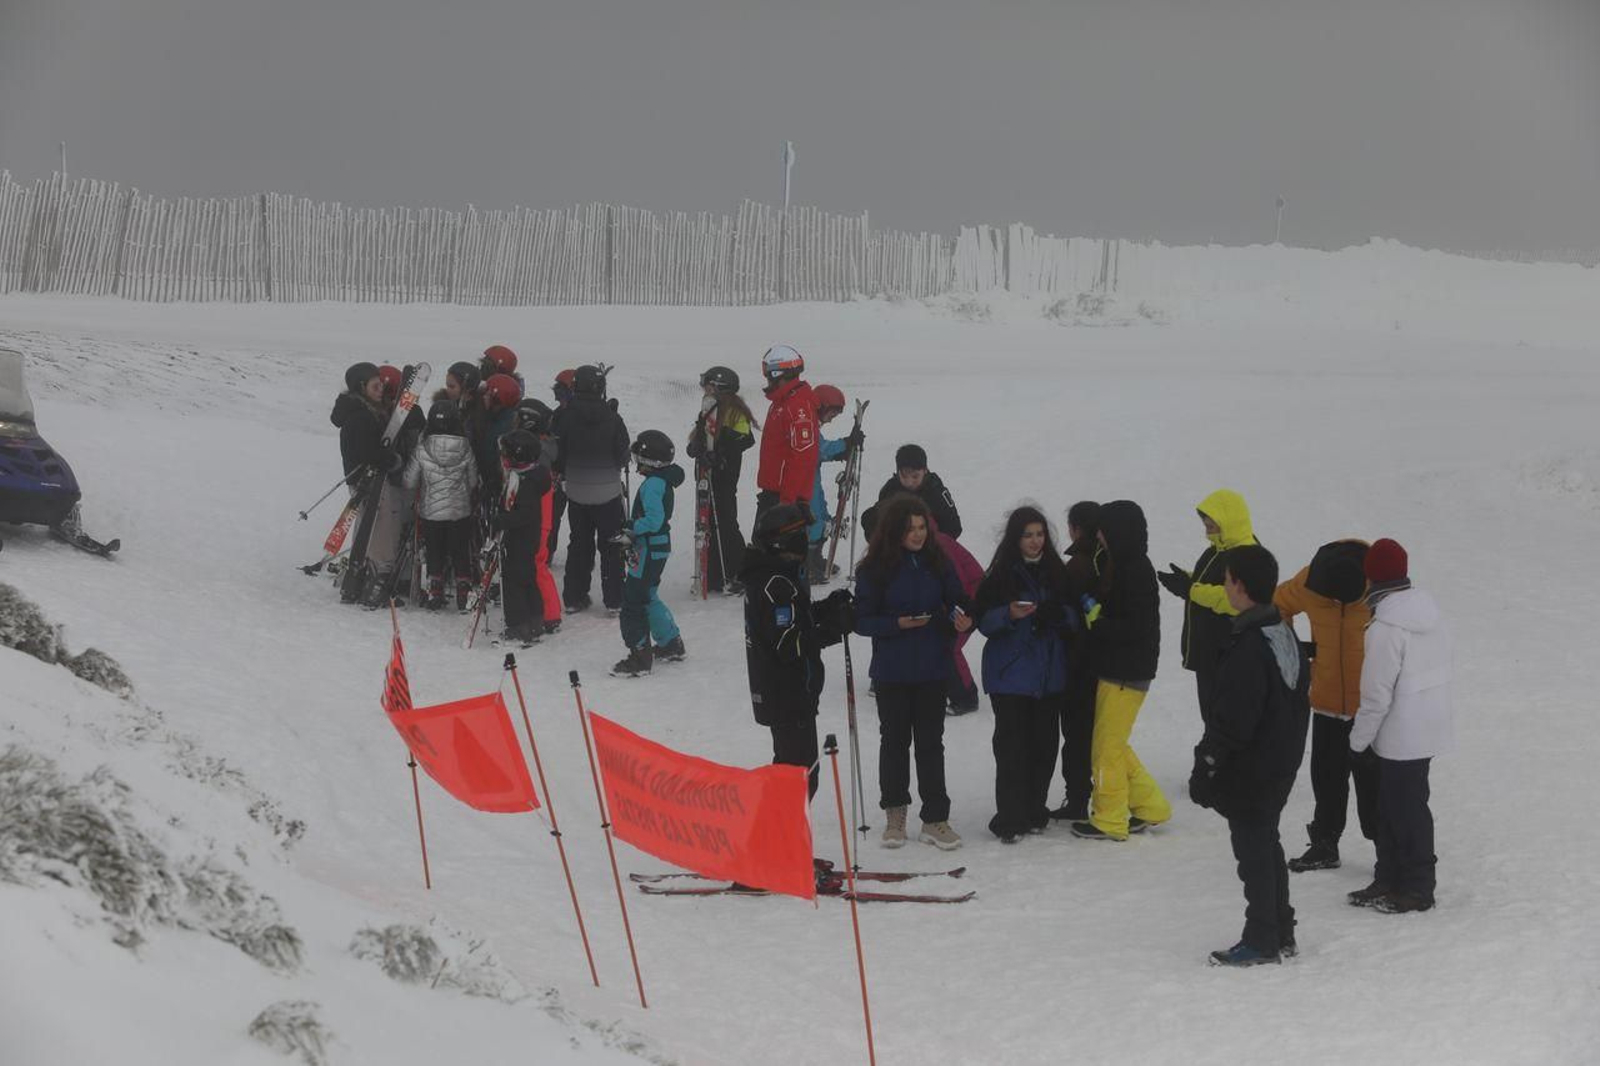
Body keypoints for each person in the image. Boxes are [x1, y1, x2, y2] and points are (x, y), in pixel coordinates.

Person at [1188, 545, 1311, 966]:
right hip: (1280, 761)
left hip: (1255, 768)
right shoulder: (1282, 631)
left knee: (1254, 852)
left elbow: (1233, 720)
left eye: (1227, 581)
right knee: (1266, 843)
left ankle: (1262, 938)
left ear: (1239, 585)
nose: (1225, 587)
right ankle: (1281, 930)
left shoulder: (1251, 645)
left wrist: (1207, 764)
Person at [853, 494, 973, 850]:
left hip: (933, 666)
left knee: (931, 744)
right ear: (895, 531)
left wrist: (962, 617)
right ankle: (895, 814)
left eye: (922, 527)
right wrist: (896, 624)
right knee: (894, 742)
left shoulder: (938, 561)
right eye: (910, 529)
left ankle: (935, 818)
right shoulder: (874, 568)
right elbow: (862, 620)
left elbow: (958, 600)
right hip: (892, 670)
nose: (918, 534)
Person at [1346, 539, 1454, 914]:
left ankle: (1418, 887)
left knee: (1404, 811)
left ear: (1371, 578)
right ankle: (1389, 877)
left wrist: (1357, 742)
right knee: (1395, 806)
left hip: (1400, 733)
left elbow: (1376, 695)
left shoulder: (1385, 627)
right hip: (1428, 725)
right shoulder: (1430, 614)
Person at [974, 506, 1081, 842]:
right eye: (1028, 535)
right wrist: (1008, 614)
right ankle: (1010, 817)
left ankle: (1034, 810)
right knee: (1011, 749)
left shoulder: (1058, 572)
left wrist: (1057, 615)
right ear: (1015, 539)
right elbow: (983, 621)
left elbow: (1077, 617)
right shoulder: (1000, 575)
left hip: (1049, 676)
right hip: (1010, 676)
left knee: (1044, 747)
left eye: (1040, 534)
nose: (1035, 541)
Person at [1273, 539, 1378, 872]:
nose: (1336, 603)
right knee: (1327, 776)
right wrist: (1294, 652)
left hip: (1371, 708)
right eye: (1330, 600)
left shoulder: (1379, 585)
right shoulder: (1310, 581)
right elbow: (1277, 605)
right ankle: (1324, 843)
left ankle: (1387, 851)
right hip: (1326, 700)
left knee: (1374, 783)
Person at [741, 503, 856, 799]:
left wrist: (826, 608)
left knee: (794, 774)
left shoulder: (777, 575)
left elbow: (796, 619)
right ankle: (777, 828)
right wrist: (832, 629)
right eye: (799, 535)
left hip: (790, 694)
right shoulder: (775, 584)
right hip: (786, 695)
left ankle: (777, 828)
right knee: (799, 778)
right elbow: (787, 644)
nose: (804, 542)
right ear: (782, 543)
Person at [1073, 500, 1172, 841]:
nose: (1098, 536)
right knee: (1114, 742)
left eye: (1103, 530)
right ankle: (1150, 805)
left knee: (1106, 749)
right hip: (1120, 669)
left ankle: (1109, 818)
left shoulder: (1135, 570)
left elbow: (1136, 627)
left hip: (1126, 672)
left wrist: (1098, 622)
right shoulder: (1123, 564)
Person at [1159, 489, 1261, 719]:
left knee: (1225, 721)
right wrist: (1187, 579)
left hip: (1229, 655)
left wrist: (1190, 589)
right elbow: (1212, 583)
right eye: (1205, 523)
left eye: (1211, 523)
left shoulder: (1247, 554)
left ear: (1228, 520)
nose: (1206, 528)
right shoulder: (1218, 550)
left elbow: (1235, 600)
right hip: (1211, 655)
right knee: (1213, 720)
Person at [611, 430, 686, 677]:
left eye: (638, 458)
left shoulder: (653, 484)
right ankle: (670, 642)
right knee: (648, 594)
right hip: (657, 546)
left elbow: (654, 520)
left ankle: (640, 656)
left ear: (649, 460)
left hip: (649, 547)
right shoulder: (660, 480)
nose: (636, 464)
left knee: (634, 600)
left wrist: (631, 528)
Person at [555, 365, 629, 614]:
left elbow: (558, 452)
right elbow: (622, 454)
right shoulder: (613, 418)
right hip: (608, 492)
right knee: (611, 545)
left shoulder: (566, 417)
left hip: (577, 490)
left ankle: (574, 597)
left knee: (579, 542)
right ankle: (614, 599)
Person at [686, 365, 758, 594]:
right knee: (707, 522)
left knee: (725, 521)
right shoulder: (709, 408)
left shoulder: (735, 411)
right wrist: (696, 446)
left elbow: (745, 439)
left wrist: (720, 452)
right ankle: (715, 573)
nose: (704, 390)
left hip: (725, 475)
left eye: (708, 386)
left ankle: (736, 571)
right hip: (707, 473)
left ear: (719, 387)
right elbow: (701, 434)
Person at [402, 401, 480, 611]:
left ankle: (435, 589)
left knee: (434, 549)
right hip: (459, 511)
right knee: (460, 549)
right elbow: (473, 481)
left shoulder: (422, 448)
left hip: (431, 511)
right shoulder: (466, 448)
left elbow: (409, 481)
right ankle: (463, 590)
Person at [1051, 500, 1101, 821]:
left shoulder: (1077, 567)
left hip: (1077, 663)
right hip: (1104, 663)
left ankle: (1078, 798)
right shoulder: (1107, 562)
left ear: (1075, 529)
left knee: (1076, 735)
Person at [490, 430, 552, 647]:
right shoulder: (524, 476)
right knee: (527, 579)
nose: (503, 458)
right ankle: (535, 622)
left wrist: (502, 520)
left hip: (521, 540)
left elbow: (524, 514)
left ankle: (519, 626)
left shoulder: (527, 482)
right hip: (524, 539)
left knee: (514, 583)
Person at [753, 344, 819, 532]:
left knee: (772, 547)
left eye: (768, 375)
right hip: (773, 493)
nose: (767, 381)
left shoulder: (797, 406)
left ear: (778, 374)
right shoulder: (781, 402)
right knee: (761, 544)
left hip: (785, 499)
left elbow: (802, 457)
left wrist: (787, 501)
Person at [806, 383, 863, 584]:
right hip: (803, 482)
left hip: (813, 479)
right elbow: (819, 449)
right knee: (813, 519)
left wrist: (844, 449)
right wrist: (846, 444)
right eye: (832, 413)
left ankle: (816, 558)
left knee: (821, 515)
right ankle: (807, 563)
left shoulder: (813, 424)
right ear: (822, 406)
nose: (831, 419)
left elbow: (821, 452)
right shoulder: (806, 424)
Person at [876, 444, 962, 540]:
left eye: (915, 476)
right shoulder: (890, 490)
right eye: (904, 476)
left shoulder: (936, 491)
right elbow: (875, 522)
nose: (909, 482)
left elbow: (954, 527)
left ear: (925, 471)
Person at [331, 362, 385, 484]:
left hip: (366, 481)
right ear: (362, 387)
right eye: (375, 386)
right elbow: (369, 454)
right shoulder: (360, 417)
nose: (381, 389)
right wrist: (394, 462)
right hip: (365, 483)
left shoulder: (363, 409)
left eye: (381, 384)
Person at [547, 368, 576, 562]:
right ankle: (547, 552)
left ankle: (582, 556)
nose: (558, 397)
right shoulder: (557, 414)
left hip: (575, 473)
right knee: (551, 516)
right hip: (558, 473)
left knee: (580, 520)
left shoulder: (579, 416)